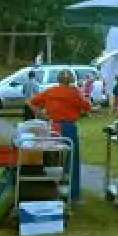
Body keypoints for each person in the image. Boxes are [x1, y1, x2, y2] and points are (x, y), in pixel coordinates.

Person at [28, 70, 91, 204]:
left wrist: (41, 114)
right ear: (72, 80)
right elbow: (87, 106)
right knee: (72, 160)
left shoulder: (51, 91)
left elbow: (31, 102)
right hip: (68, 128)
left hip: (53, 127)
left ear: (58, 79)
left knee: (52, 158)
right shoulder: (74, 92)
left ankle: (49, 190)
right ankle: (72, 195)